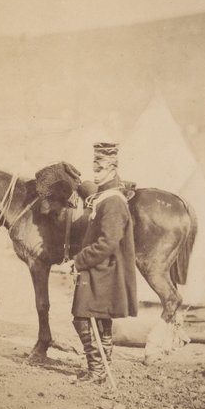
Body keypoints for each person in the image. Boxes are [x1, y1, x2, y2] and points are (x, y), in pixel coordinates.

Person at [69, 142, 137, 383]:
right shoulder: (104, 197)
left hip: (102, 270)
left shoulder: (114, 202)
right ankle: (101, 368)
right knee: (99, 318)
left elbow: (108, 242)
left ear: (113, 168)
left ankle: (97, 371)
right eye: (94, 168)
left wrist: (79, 261)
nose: (95, 172)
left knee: (83, 317)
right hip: (100, 268)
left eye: (101, 168)